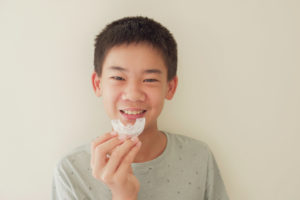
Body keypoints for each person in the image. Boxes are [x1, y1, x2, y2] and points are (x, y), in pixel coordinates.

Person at [52, 16, 229, 200]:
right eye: (118, 78)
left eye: (149, 80)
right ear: (98, 85)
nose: (133, 94)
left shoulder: (198, 158)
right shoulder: (71, 170)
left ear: (170, 87)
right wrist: (123, 195)